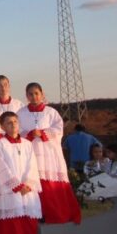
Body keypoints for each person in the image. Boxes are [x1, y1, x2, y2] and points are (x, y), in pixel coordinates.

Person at [16, 82, 81, 224]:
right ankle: (35, 216)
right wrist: (29, 134)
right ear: (26, 96)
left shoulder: (51, 112)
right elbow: (16, 131)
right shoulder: (20, 113)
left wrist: (43, 133)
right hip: (30, 155)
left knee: (51, 187)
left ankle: (56, 215)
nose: (33, 97)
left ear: (42, 94)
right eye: (30, 94)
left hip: (49, 156)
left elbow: (58, 130)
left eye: (36, 93)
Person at [0, 112, 42, 234]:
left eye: (15, 121)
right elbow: (1, 167)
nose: (13, 125)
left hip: (27, 190)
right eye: (8, 123)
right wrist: (16, 185)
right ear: (2, 126)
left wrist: (27, 183)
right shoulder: (1, 144)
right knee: (13, 227)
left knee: (28, 224)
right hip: (11, 192)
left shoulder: (27, 144)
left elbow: (32, 165)